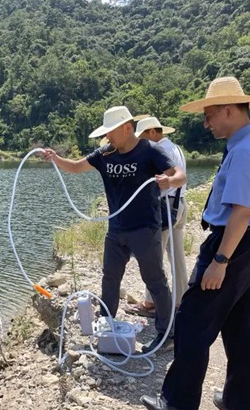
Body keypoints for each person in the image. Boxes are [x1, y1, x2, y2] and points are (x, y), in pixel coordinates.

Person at [140, 76, 250, 410]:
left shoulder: (246, 150)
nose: (206, 123)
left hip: (235, 243)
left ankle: (179, 402)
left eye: (209, 115)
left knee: (192, 320)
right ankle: (238, 402)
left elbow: (241, 212)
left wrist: (220, 260)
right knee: (242, 324)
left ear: (229, 110)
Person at [43, 106, 187, 353]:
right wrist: (56, 159)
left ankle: (167, 334)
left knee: (155, 280)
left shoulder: (150, 151)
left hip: (145, 228)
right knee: (110, 277)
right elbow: (77, 167)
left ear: (127, 128)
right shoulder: (106, 153)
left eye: (111, 131)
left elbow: (179, 175)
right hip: (116, 228)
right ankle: (106, 325)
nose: (107, 136)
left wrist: (169, 181)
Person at [127, 117, 188, 316]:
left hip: (165, 206)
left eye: (144, 136)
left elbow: (158, 183)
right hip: (179, 205)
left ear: (153, 132)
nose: (143, 142)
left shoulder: (160, 151)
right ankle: (181, 300)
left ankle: (150, 303)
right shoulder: (176, 148)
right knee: (177, 255)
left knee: (154, 255)